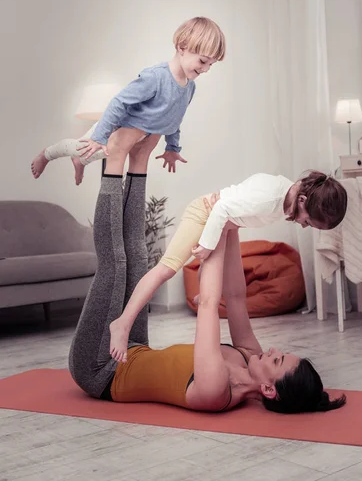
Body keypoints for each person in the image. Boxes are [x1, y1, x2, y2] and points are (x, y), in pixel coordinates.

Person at [68, 170, 346, 414]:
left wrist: (220, 221)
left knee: (116, 263)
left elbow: (210, 302)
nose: (272, 349)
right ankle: (138, 163)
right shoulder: (251, 355)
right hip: (132, 350)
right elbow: (236, 297)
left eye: (277, 359)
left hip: (101, 369)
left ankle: (115, 167)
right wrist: (231, 226)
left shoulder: (216, 390)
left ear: (268, 390)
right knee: (138, 258)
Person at [109, 170, 347, 362]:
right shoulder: (271, 198)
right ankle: (122, 323)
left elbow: (244, 191)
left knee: (236, 291)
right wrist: (206, 246)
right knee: (167, 269)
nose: (304, 226)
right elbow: (220, 208)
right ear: (303, 200)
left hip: (226, 224)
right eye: (308, 221)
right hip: (206, 214)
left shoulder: (288, 194)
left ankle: (206, 284)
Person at [31, 16, 226, 184]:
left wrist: (172, 147)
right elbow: (119, 102)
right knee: (80, 148)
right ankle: (47, 154)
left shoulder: (189, 87)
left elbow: (174, 119)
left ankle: (79, 161)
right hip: (114, 128)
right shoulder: (155, 77)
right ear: (182, 47)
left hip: (138, 137)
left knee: (88, 156)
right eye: (202, 61)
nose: (206, 69)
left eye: (211, 64)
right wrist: (99, 137)